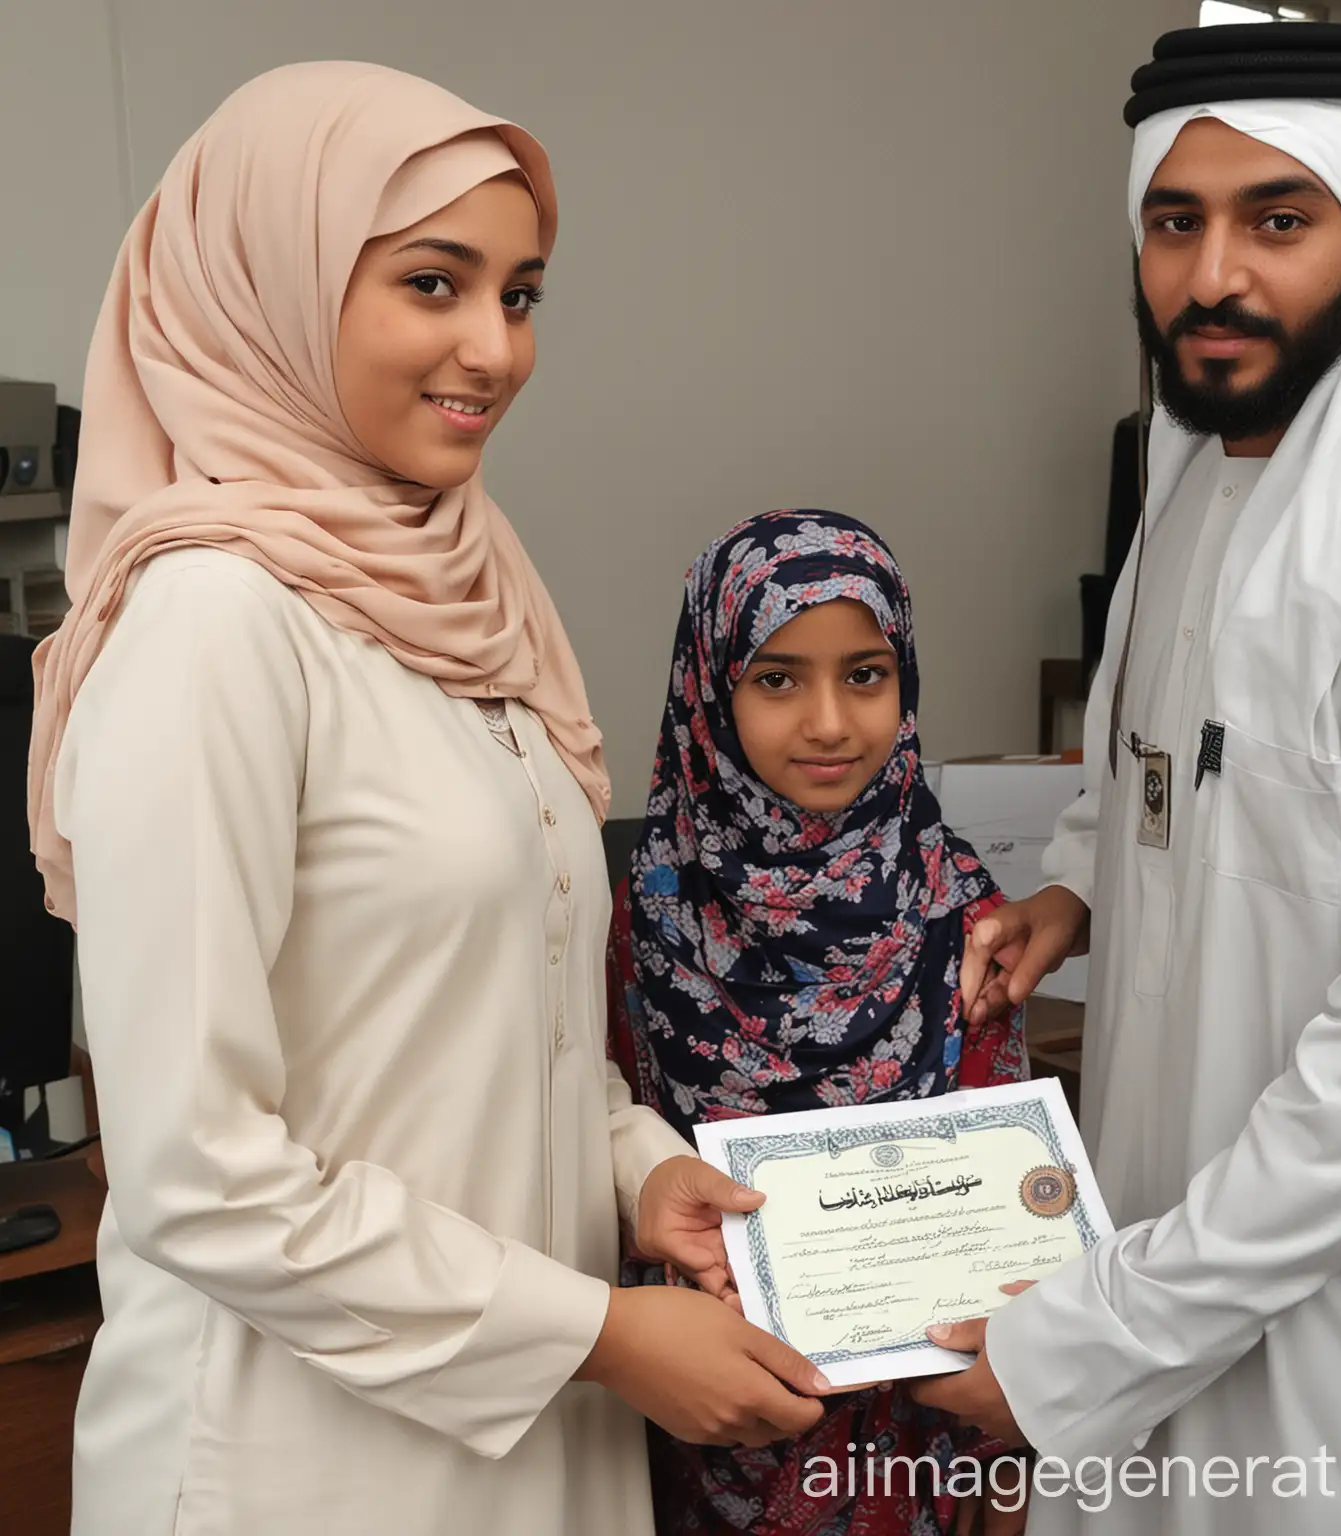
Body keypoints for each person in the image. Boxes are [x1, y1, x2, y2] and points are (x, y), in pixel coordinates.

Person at [28, 62, 832, 1536]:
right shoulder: (215, 625)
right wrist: (597, 1335)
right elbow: (196, 1168)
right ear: (268, 280)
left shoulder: (470, 593)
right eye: (432, 283)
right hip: (293, 1464)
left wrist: (635, 1172)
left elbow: (498, 1020)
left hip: (529, 1433)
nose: (494, 348)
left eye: (520, 294)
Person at [917, 22, 1341, 1535]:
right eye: (1175, 221)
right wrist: (1075, 883)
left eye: (1279, 219)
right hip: (1153, 1259)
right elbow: (1157, 779)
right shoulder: (1192, 492)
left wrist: (1086, 1344)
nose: (1213, 276)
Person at [606, 509, 1031, 1534]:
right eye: (779, 678)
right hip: (717, 1415)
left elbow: (1010, 1199)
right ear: (712, 688)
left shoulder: (955, 901)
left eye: (866, 675)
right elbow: (607, 1153)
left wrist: (1007, 1459)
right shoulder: (652, 913)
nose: (832, 722)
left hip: (932, 1432)